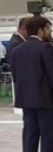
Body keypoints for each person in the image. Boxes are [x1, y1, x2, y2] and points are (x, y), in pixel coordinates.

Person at [10, 16, 53, 152]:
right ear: (41, 31)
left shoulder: (17, 50)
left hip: (26, 99)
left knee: (30, 133)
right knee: (48, 134)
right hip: (45, 99)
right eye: (48, 29)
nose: (49, 32)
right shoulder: (46, 47)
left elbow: (15, 75)